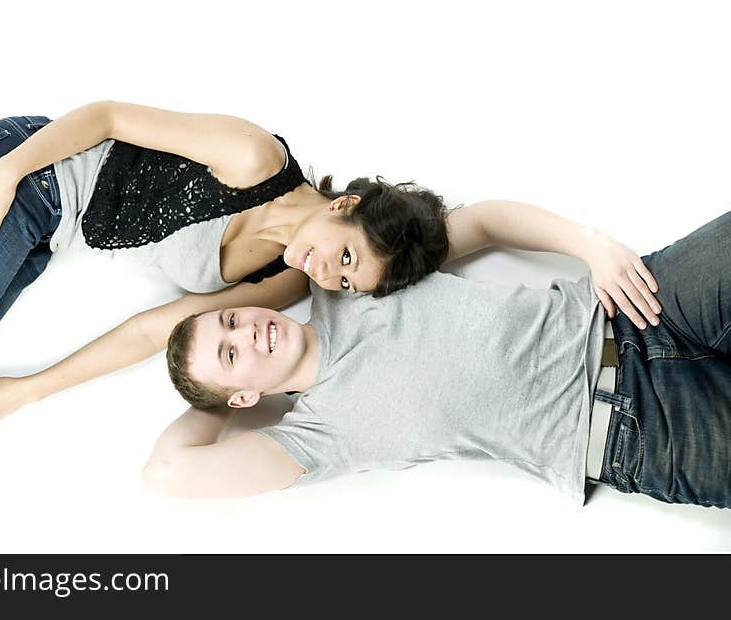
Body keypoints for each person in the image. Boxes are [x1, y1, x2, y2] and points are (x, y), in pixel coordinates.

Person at [0, 101, 450, 430]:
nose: (328, 274)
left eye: (346, 280)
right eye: (345, 254)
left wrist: (27, 394)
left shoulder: (284, 278)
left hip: (49, 234)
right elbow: (108, 117)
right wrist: (5, 175)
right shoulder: (254, 158)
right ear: (346, 205)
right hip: (28, 176)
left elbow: (151, 331)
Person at [150, 209, 731, 509]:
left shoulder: (352, 278)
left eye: (232, 320)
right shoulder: (313, 437)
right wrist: (212, 397)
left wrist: (593, 248)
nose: (248, 331)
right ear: (244, 398)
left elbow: (480, 221)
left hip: (632, 303)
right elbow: (168, 471)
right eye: (231, 353)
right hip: (640, 433)